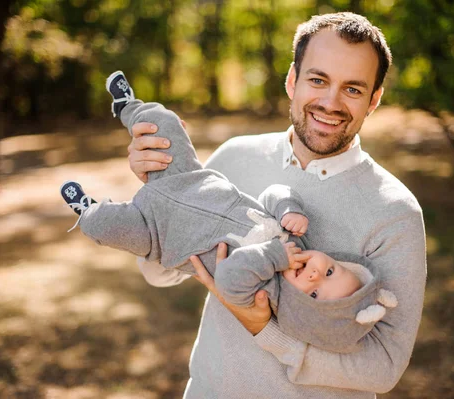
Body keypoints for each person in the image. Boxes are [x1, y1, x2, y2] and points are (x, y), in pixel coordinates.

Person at [127, 12, 427, 398]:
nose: (330, 102)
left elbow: (383, 366)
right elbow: (161, 274)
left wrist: (265, 331)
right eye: (318, 80)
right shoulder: (234, 158)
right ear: (292, 80)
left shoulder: (396, 212)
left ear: (374, 100)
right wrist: (159, 193)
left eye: (352, 89)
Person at [60, 71, 398, 353]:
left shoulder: (264, 290)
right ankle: (128, 106)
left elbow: (228, 277)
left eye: (313, 294)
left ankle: (89, 212)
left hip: (160, 235)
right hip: (190, 181)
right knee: (161, 122)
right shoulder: (296, 237)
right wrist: (288, 208)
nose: (312, 276)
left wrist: (274, 258)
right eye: (329, 273)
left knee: (108, 226)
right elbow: (273, 194)